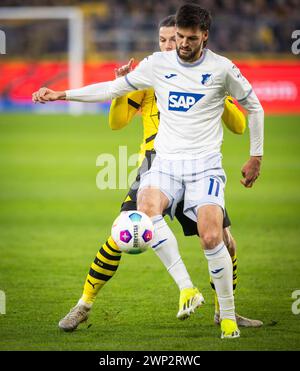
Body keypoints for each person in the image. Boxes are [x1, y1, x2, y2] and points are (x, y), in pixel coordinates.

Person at [32, 4, 264, 339]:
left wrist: (253, 151)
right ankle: (86, 304)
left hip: (202, 167)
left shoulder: (220, 71)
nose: (177, 44)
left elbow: (245, 118)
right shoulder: (153, 69)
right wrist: (61, 94)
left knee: (220, 240)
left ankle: (224, 311)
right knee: (125, 230)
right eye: (170, 39)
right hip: (158, 163)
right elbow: (113, 103)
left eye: (184, 38)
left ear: (203, 37)